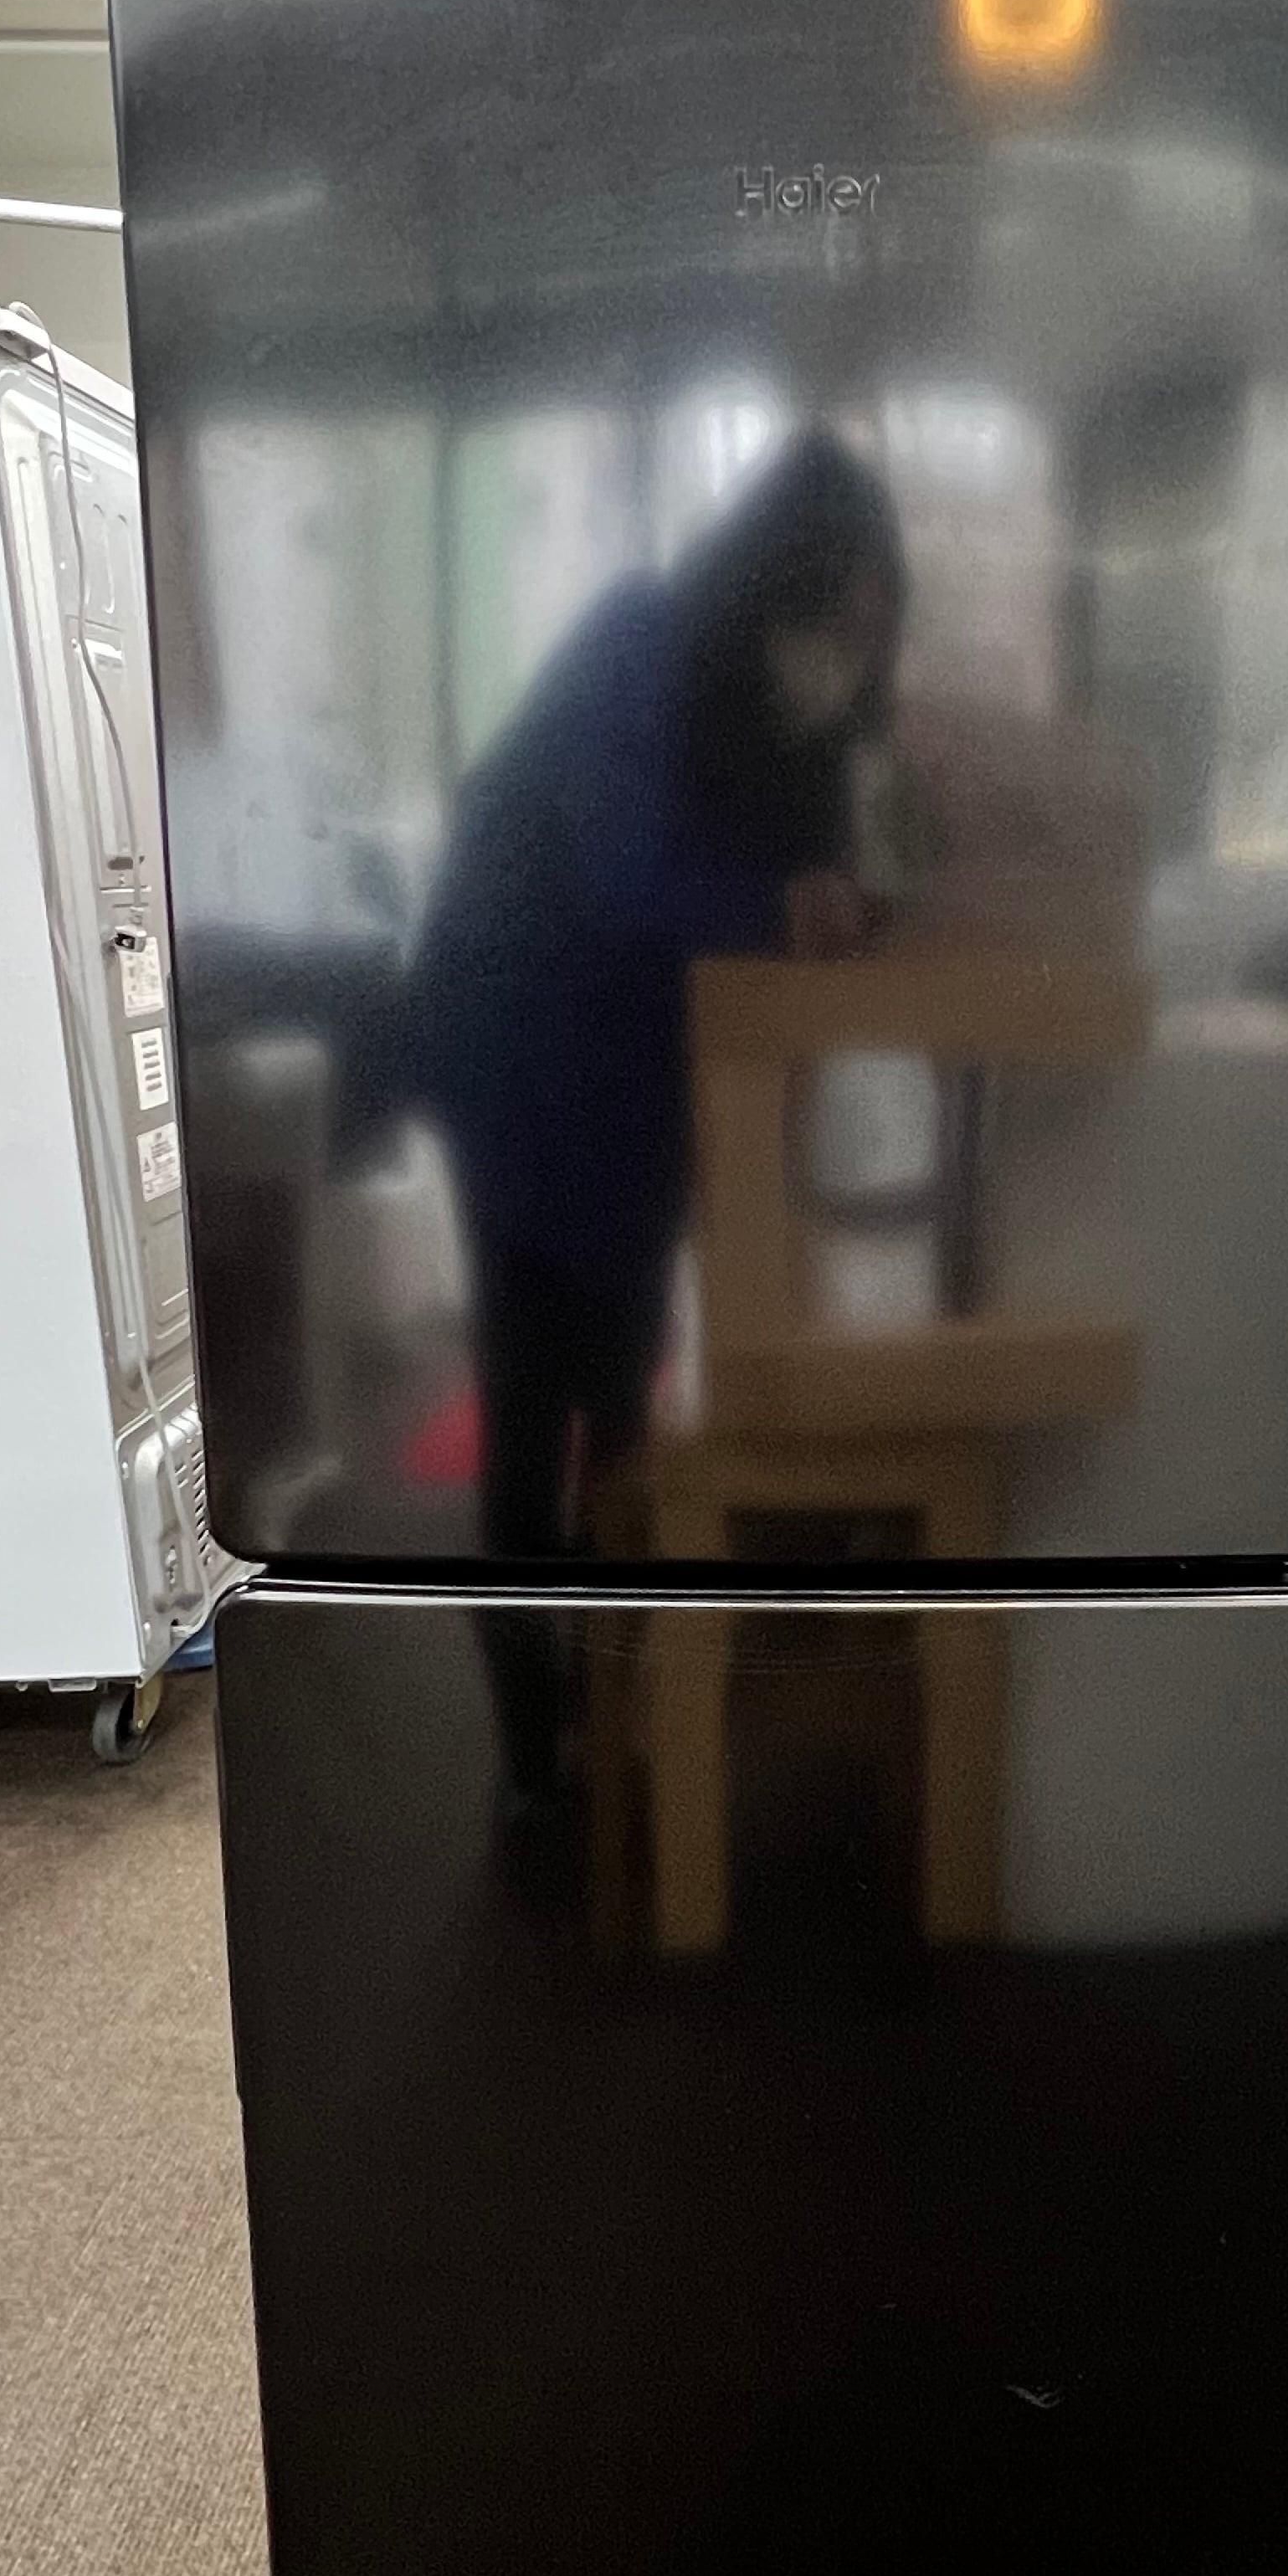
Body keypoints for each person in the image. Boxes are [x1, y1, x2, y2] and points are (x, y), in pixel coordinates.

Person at [408, 426, 905, 1843]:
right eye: (835, 621)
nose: (844, 661)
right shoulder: (643, 639)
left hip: (632, 1084)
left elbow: (765, 902)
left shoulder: (790, 740)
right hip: (515, 1052)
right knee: (533, 1404)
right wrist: (778, 909)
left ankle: (612, 1714)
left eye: (870, 638)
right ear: (779, 580)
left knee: (622, 1401)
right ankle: (535, 1762)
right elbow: (621, 872)